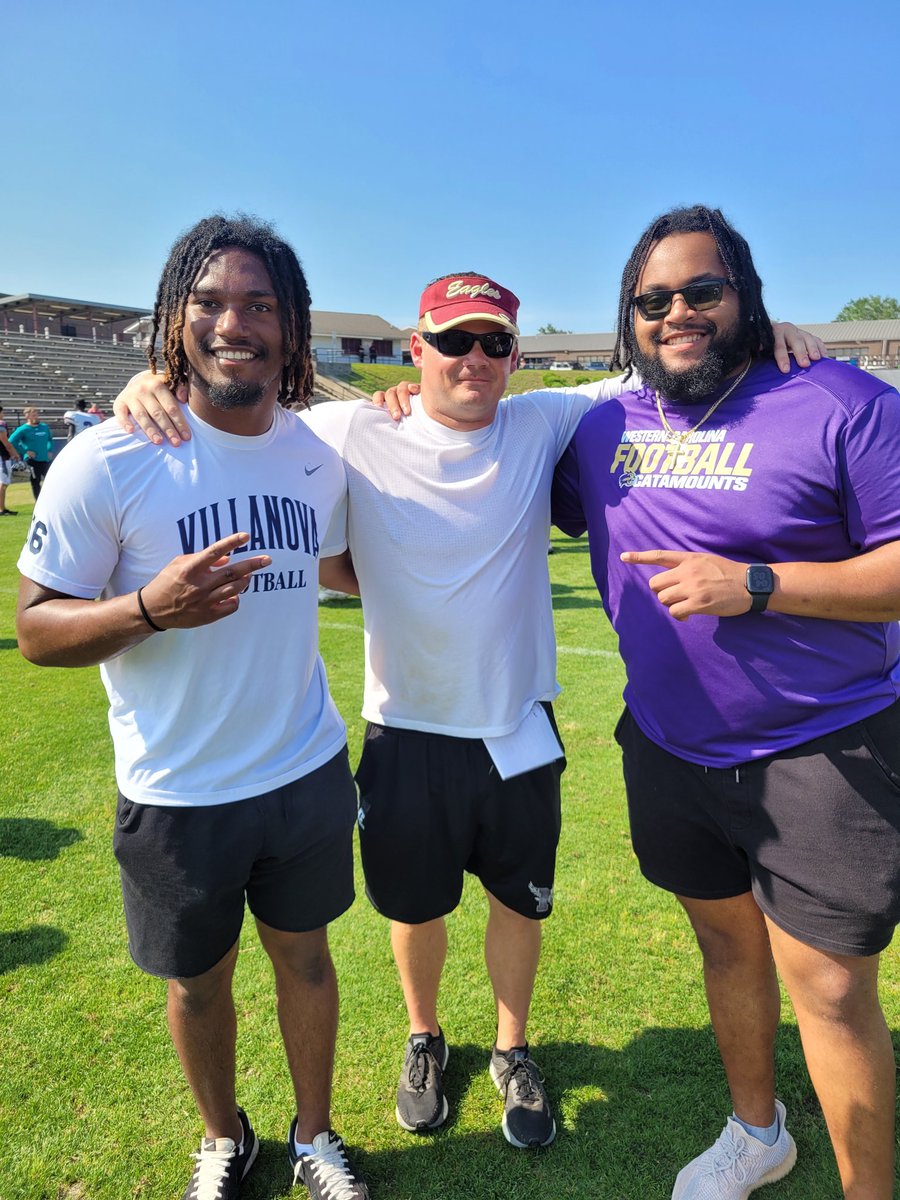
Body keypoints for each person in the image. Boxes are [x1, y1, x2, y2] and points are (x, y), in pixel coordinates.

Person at [113, 272, 823, 1158]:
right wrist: (154, 383)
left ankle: (511, 1045)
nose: (473, 359)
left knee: (516, 903)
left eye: (493, 343)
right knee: (415, 907)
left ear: (516, 357)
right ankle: (424, 1036)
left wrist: (768, 332)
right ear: (417, 349)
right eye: (453, 341)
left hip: (517, 723)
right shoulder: (351, 427)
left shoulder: (543, 419)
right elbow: (238, 419)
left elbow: (673, 361)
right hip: (406, 726)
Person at [16, 215, 370, 1200]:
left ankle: (315, 1137)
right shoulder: (109, 457)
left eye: (260, 305)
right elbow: (37, 628)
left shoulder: (313, 455)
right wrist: (147, 609)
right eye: (210, 302)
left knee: (308, 963)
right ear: (173, 320)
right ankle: (224, 1140)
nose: (234, 323)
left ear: (292, 330)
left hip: (302, 773)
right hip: (176, 788)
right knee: (197, 983)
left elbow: (338, 563)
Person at [552, 204, 900, 1200]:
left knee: (832, 990)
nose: (677, 312)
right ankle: (758, 1131)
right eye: (652, 299)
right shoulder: (603, 425)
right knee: (722, 940)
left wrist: (755, 584)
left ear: (743, 295)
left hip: (822, 748)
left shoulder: (837, 400)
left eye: (702, 290)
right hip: (669, 747)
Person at [10, 407, 54, 499]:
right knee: (35, 482)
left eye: (37, 414)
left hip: (45, 459)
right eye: (33, 415)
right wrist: (25, 451)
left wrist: (49, 450)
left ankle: (51, 499)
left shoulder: (44, 427)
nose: (36, 417)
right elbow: (11, 441)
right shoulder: (23, 429)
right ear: (27, 417)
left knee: (51, 481)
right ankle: (38, 503)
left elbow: (50, 440)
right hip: (32, 461)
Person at [0, 404, 23, 514]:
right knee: (3, 483)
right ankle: (2, 509)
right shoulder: (1, 424)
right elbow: (5, 442)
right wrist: (14, 453)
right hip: (3, 458)